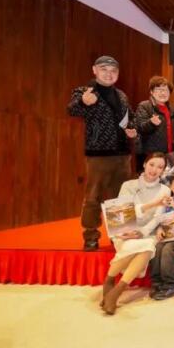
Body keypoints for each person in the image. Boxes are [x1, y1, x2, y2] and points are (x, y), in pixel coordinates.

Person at [67, 55, 137, 251]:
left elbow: (130, 117)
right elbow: (72, 110)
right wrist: (83, 102)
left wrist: (132, 129)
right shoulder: (85, 91)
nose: (109, 74)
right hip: (98, 154)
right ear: (94, 70)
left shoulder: (121, 95)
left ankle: (121, 236)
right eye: (104, 69)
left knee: (121, 197)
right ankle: (90, 235)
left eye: (113, 70)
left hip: (123, 154)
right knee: (93, 196)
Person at [100, 153, 171, 315]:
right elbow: (124, 212)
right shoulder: (128, 185)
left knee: (148, 246)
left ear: (163, 171)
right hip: (125, 230)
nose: (154, 170)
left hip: (147, 232)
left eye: (160, 167)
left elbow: (157, 217)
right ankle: (109, 280)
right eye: (152, 164)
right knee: (135, 246)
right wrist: (151, 205)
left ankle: (116, 291)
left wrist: (142, 232)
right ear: (145, 164)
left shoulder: (165, 189)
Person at [134, 76, 174, 170]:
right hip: (150, 154)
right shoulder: (144, 106)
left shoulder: (172, 109)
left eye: (166, 90)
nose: (163, 93)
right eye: (159, 90)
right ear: (151, 92)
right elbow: (140, 127)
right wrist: (151, 123)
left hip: (169, 153)